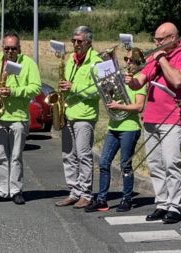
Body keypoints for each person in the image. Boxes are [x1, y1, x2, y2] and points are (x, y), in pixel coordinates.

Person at [127, 22, 181, 224]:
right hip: (151, 117)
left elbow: (177, 81)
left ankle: (175, 206)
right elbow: (139, 81)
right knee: (155, 164)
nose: (156, 43)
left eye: (160, 40)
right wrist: (130, 79)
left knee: (171, 162)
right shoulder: (153, 59)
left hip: (172, 117)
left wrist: (162, 59)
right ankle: (162, 202)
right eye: (155, 39)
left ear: (172, 38)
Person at [0, 32, 41, 205]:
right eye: (6, 48)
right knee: (0, 156)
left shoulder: (28, 64)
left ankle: (16, 190)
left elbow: (36, 88)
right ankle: (2, 191)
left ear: (19, 48)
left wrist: (13, 92)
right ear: (2, 48)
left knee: (16, 156)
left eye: (13, 48)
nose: (10, 51)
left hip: (18, 117)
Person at [87, 53, 145, 213]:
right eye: (125, 59)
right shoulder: (117, 77)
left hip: (130, 127)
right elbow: (108, 97)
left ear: (138, 63)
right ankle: (101, 200)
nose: (127, 63)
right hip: (114, 127)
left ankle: (127, 199)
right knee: (104, 163)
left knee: (125, 164)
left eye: (131, 61)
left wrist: (120, 107)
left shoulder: (140, 80)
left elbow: (139, 107)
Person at [53, 26, 101, 209]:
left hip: (85, 115)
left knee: (83, 155)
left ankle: (86, 193)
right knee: (68, 155)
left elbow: (100, 91)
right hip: (69, 113)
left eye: (79, 41)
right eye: (73, 40)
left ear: (89, 42)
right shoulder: (71, 61)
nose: (75, 44)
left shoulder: (96, 62)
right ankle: (74, 191)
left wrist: (74, 88)